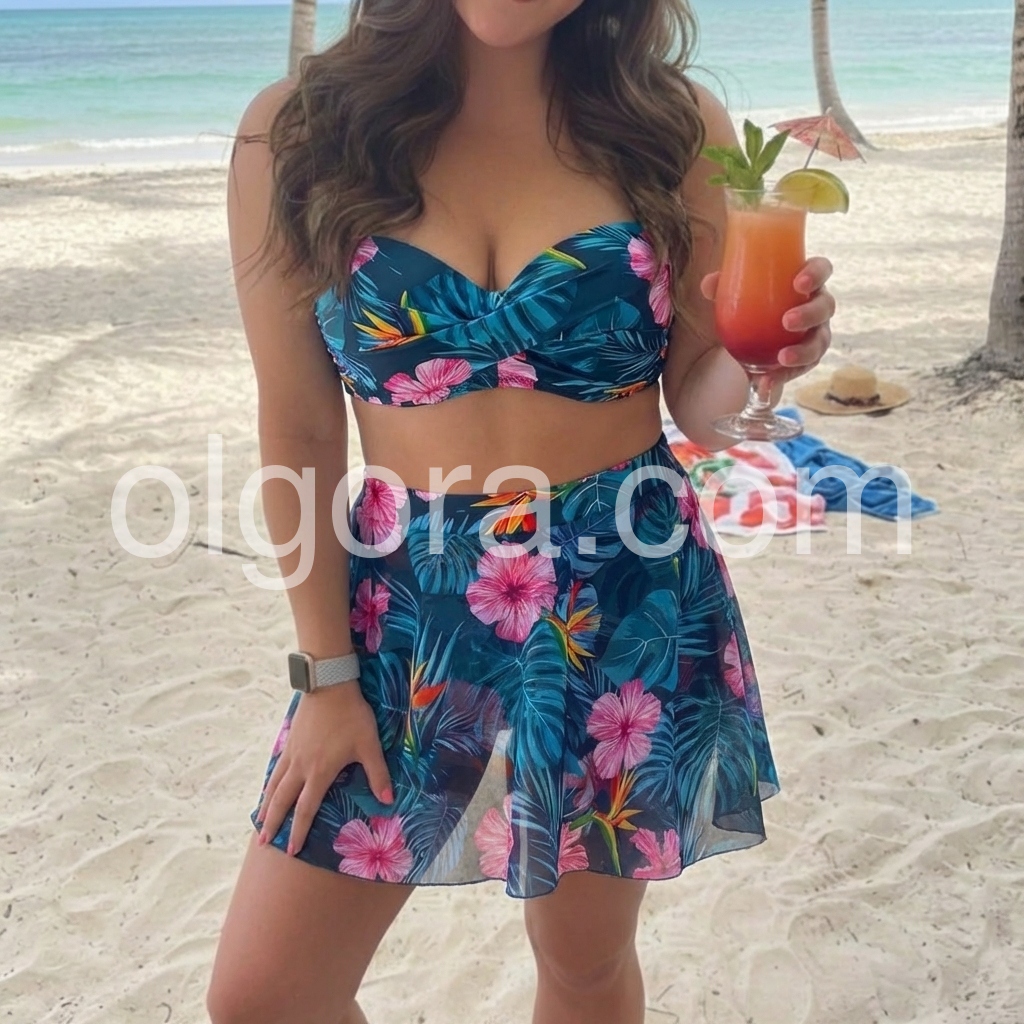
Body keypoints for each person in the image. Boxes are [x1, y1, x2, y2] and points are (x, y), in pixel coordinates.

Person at [207, 2, 835, 1022]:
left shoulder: (672, 123)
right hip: (404, 608)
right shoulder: (297, 131)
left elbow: (701, 401)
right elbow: (300, 425)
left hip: (620, 593)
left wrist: (764, 364)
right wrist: (324, 677)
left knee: (582, 962)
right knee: (265, 994)